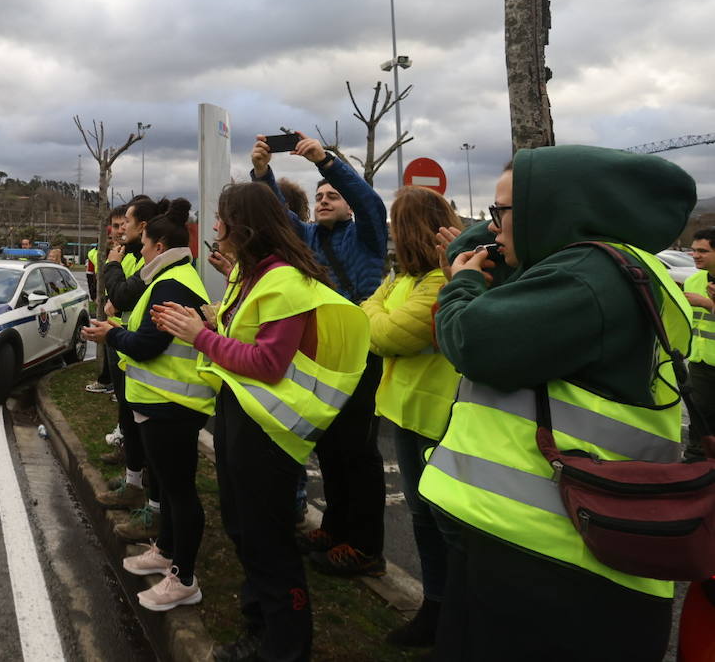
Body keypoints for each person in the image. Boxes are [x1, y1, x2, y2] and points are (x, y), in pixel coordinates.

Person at [421, 146, 696, 660]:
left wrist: (461, 284)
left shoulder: (588, 274)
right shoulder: (601, 268)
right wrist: (493, 240)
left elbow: (475, 343)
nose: (490, 226)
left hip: (554, 560)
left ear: (549, 209)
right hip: (562, 538)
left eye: (501, 211)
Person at [153, 182, 369, 662]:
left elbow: (269, 363)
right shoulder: (249, 275)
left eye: (221, 218)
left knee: (267, 541)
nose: (214, 227)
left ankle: (285, 645)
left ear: (242, 226)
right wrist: (207, 324)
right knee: (243, 531)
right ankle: (260, 629)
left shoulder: (284, 281)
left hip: (267, 433)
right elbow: (243, 337)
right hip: (242, 417)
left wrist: (199, 336)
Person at [251, 132, 389, 575]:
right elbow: (278, 215)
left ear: (347, 204)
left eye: (333, 196)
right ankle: (336, 527)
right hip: (323, 355)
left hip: (361, 355)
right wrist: (262, 174)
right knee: (329, 447)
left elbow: (370, 203)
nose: (325, 200)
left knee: (359, 452)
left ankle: (365, 548)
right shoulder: (307, 235)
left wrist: (325, 162)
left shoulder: (367, 235)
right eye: (320, 196)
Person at [81, 198, 214, 612]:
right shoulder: (171, 277)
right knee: (170, 487)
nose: (139, 249)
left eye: (143, 243)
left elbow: (148, 345)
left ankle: (184, 578)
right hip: (162, 402)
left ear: (157, 246)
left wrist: (110, 334)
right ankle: (166, 551)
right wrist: (117, 330)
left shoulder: (171, 282)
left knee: (179, 491)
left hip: (172, 404)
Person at [361, 187, 462, 648]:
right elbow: (370, 313)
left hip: (438, 418)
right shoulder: (404, 279)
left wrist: (376, 313)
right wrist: (377, 313)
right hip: (405, 413)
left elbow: (384, 334)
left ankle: (454, 617)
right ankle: (435, 608)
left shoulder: (443, 282)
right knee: (423, 520)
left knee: (446, 526)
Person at [97, 196, 165, 542]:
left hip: (141, 355)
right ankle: (134, 482)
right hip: (125, 345)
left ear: (145, 227)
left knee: (147, 433)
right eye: (118, 222)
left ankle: (149, 501)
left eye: (127, 221)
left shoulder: (153, 263)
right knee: (128, 416)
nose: (121, 228)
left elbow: (123, 295)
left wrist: (111, 267)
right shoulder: (137, 255)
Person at [86, 207, 128, 395]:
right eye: (115, 227)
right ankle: (110, 385)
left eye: (123, 225)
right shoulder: (105, 254)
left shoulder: (132, 256)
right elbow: (93, 274)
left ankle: (114, 389)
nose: (119, 231)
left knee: (122, 371)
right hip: (113, 318)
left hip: (125, 322)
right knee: (115, 367)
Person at [683, 228, 715, 460]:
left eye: (702, 251)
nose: (695, 255)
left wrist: (708, 304)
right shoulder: (693, 281)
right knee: (699, 416)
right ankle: (695, 461)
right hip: (699, 362)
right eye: (693, 250)